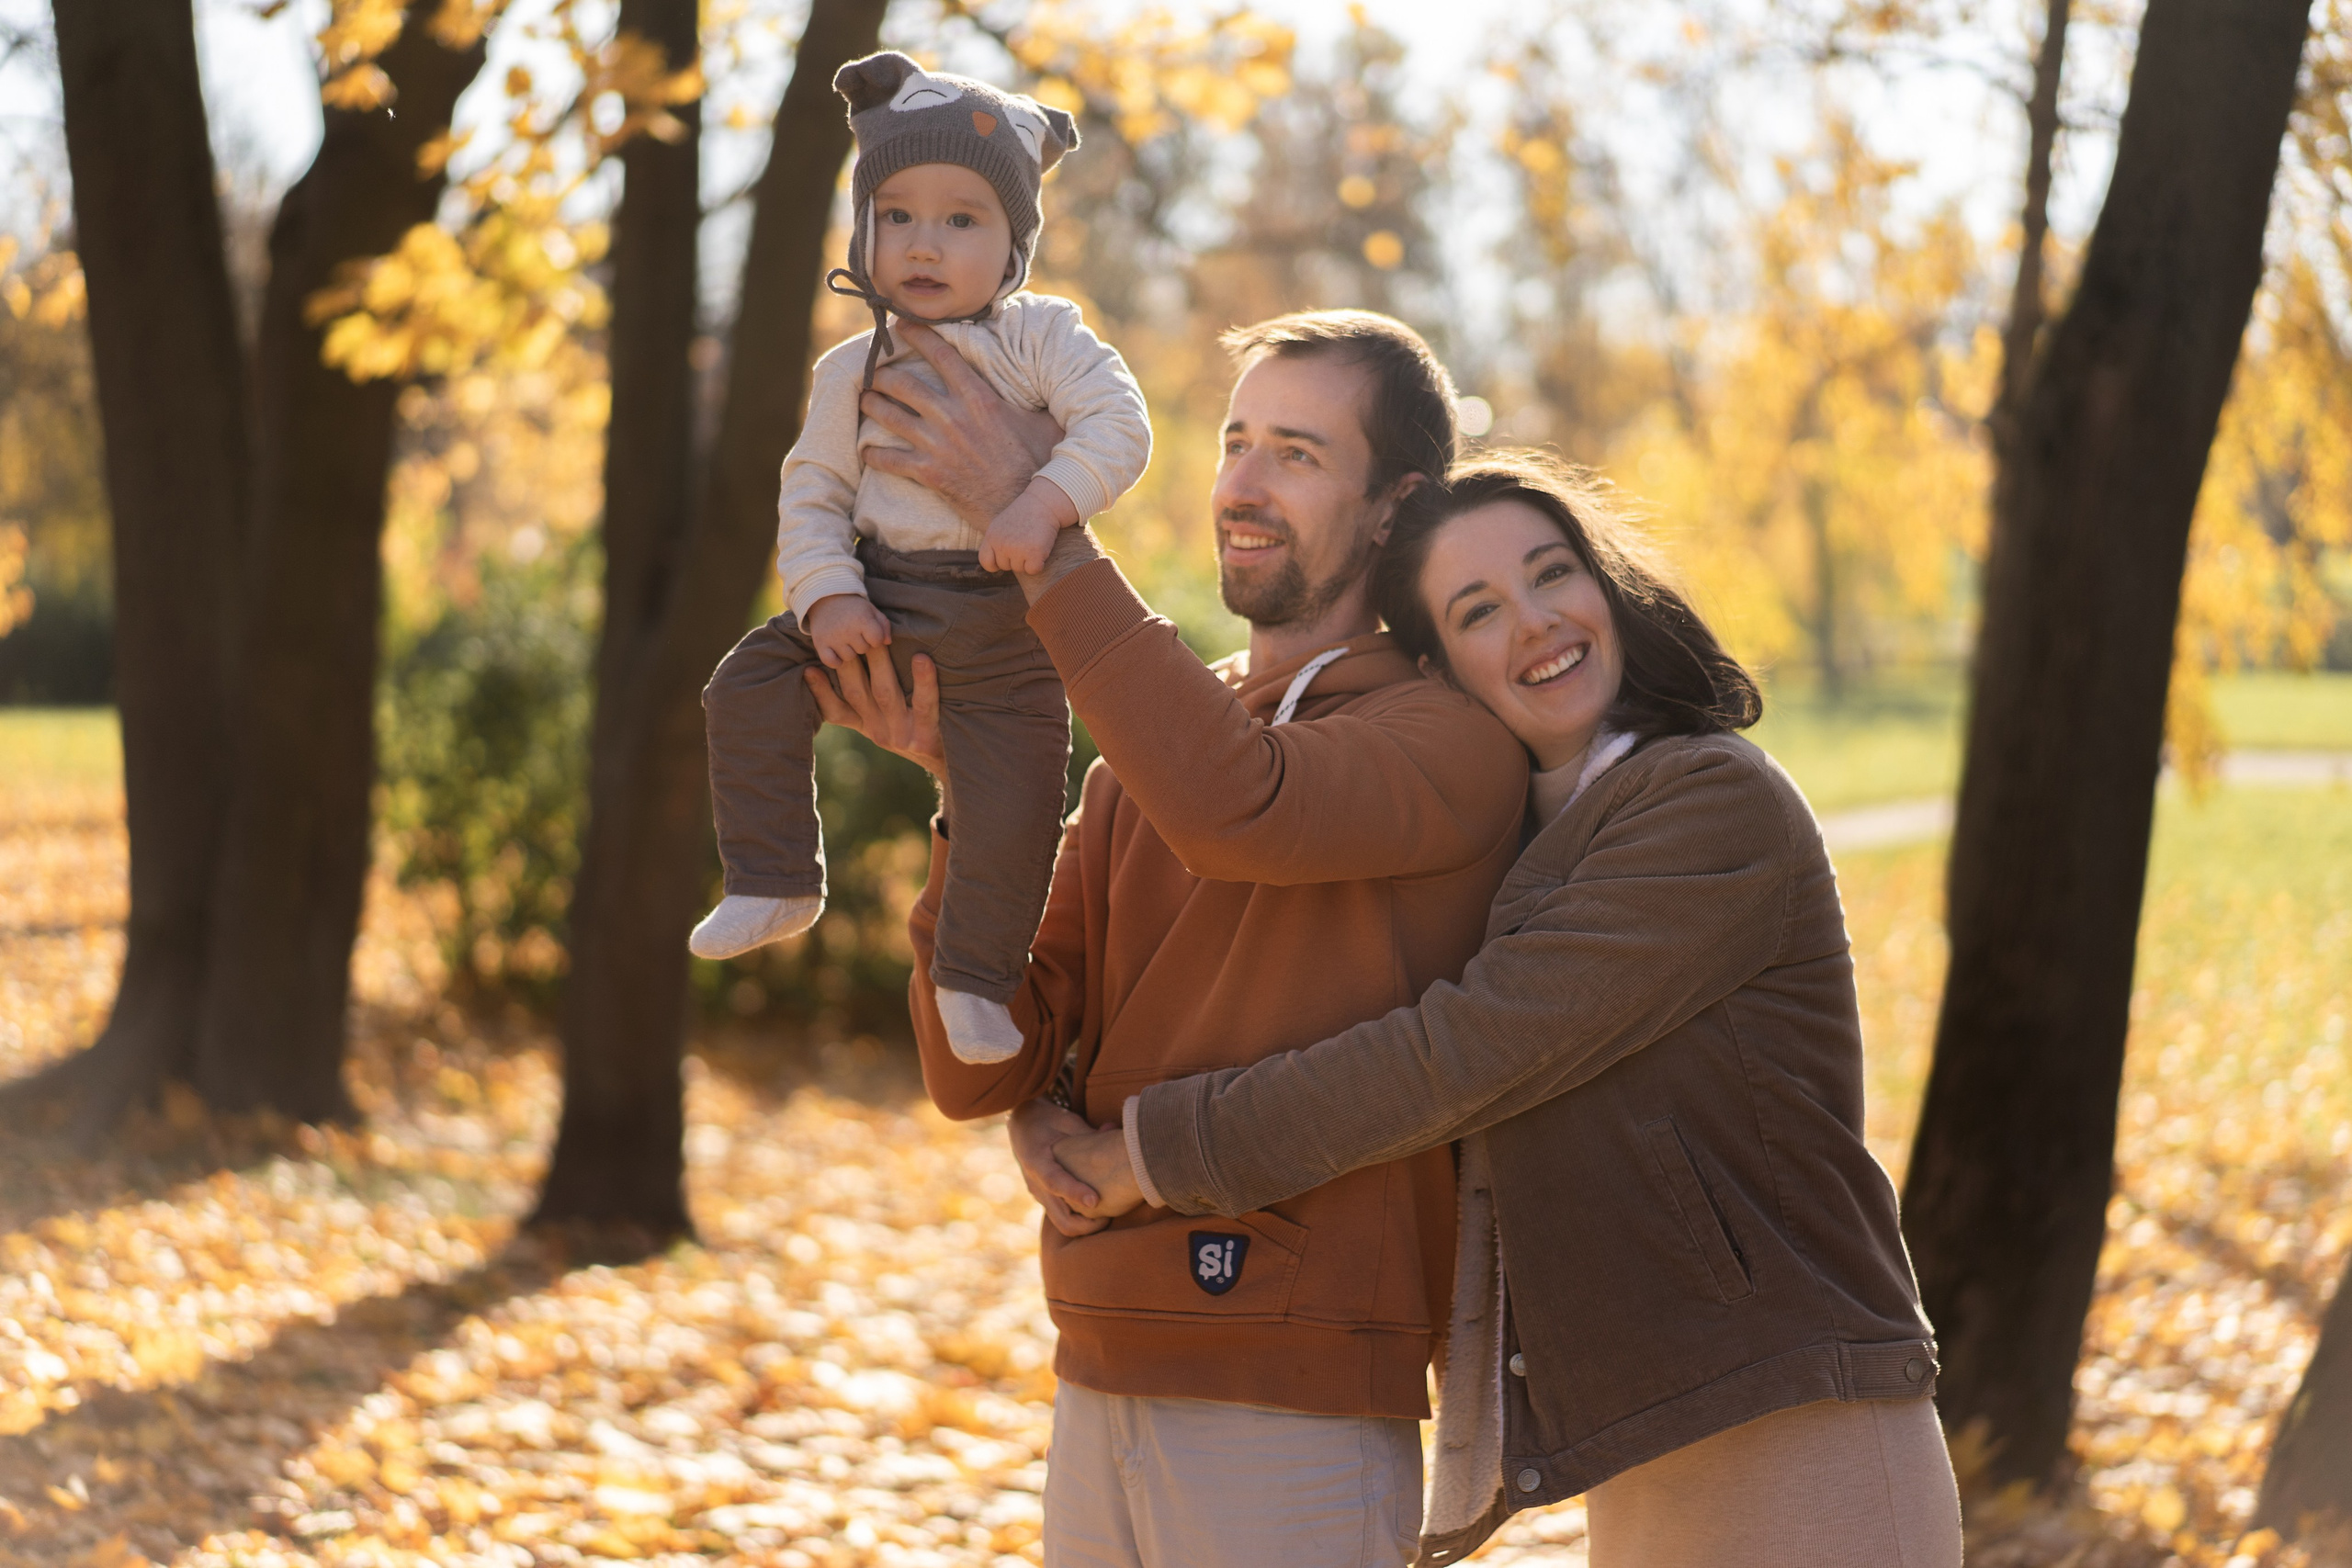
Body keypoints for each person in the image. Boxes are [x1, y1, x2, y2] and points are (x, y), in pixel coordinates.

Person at [1042, 454, 1965, 1568]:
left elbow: (1458, 1055)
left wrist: (1157, 1151)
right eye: (1479, 609)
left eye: (1551, 573)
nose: (1535, 622)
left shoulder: (1711, 801)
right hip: (1649, 1430)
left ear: (1606, 585)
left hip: (1799, 1412)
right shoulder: (1507, 847)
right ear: (1439, 668)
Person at [811, 312, 1530, 1568]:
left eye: (1297, 453)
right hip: (1097, 1353)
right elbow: (981, 1069)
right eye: (1236, 443)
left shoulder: (1450, 741)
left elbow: (1239, 805)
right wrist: (972, 798)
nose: (1243, 484)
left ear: (1394, 506)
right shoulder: (1139, 772)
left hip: (1298, 1393)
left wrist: (1041, 525)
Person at [694, 51, 1151, 1067]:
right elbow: (814, 491)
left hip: (1006, 627)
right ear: (863, 229)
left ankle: (976, 982)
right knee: (746, 684)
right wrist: (827, 597)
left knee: (1016, 800)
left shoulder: (1043, 337)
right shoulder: (850, 366)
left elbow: (1121, 428)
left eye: (962, 219)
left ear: (1015, 244)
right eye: (895, 214)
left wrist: (1042, 500)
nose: (923, 243)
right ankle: (773, 878)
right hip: (880, 599)